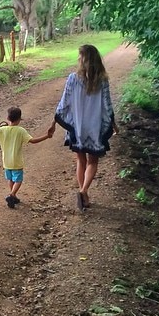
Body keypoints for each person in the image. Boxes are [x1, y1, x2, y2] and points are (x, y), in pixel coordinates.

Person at [48, 44, 120, 211]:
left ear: (84, 60)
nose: (78, 59)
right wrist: (113, 124)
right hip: (95, 127)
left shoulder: (73, 78)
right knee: (93, 161)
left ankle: (83, 193)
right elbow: (107, 105)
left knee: (81, 160)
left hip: (78, 127)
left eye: (80, 57)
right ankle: (84, 191)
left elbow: (63, 104)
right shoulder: (103, 80)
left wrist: (54, 123)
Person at [0, 106, 52, 208]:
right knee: (18, 180)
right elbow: (33, 141)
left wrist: (1, 127)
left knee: (11, 179)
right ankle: (12, 195)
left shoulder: (2, 130)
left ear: (8, 118)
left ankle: (13, 196)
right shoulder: (20, 130)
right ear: (19, 119)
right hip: (17, 161)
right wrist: (47, 136)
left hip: (6, 161)